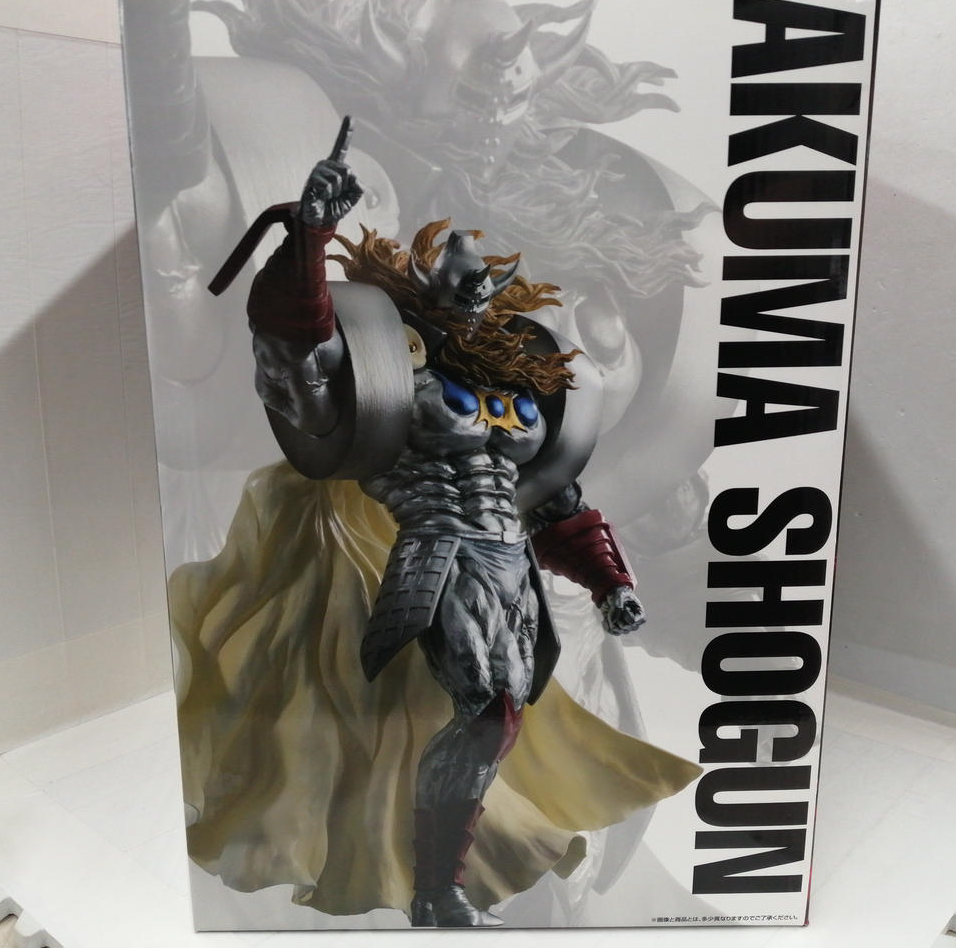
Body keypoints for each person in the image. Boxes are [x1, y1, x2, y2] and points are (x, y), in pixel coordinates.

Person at [179, 119, 699, 928]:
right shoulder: (388, 364)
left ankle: (444, 885)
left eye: (489, 275)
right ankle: (436, 890)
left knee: (504, 721)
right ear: (427, 276)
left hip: (510, 565)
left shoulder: (519, 387)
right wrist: (310, 240)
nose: (479, 282)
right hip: (432, 551)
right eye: (461, 268)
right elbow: (299, 357)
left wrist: (609, 583)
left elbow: (553, 497)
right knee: (487, 712)